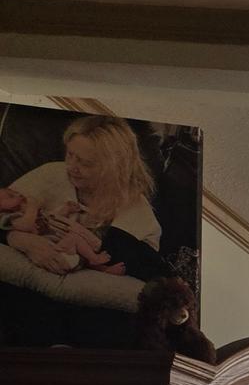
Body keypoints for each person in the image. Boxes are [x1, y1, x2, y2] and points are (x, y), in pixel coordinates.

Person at [0, 115, 164, 312]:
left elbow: (141, 270)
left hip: (81, 302)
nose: (72, 167)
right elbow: (4, 213)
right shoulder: (51, 173)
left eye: (86, 163)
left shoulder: (134, 209)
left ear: (114, 167)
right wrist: (22, 240)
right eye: (70, 155)